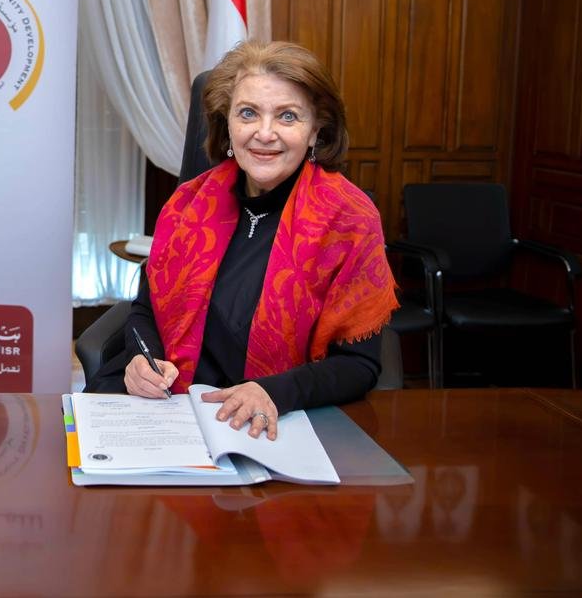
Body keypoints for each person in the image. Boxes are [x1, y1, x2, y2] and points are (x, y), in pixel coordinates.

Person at [87, 41, 396, 440]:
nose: (264, 133)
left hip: (277, 421)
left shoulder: (349, 219)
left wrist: (273, 391)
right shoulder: (187, 203)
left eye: (287, 116)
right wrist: (140, 360)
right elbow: (146, 309)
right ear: (228, 124)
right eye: (248, 113)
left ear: (316, 131)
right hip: (171, 413)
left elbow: (358, 365)